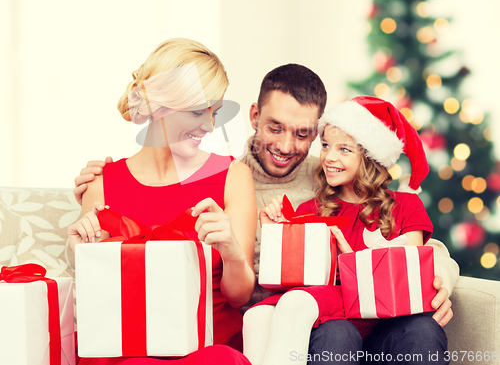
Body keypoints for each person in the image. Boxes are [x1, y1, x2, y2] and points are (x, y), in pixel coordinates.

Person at [73, 65, 457, 364]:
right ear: (254, 115)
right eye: (275, 128)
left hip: (360, 312)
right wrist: (100, 187)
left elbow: (403, 225)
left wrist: (440, 275)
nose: (288, 146)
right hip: (285, 329)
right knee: (335, 334)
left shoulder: (333, 172)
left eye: (304, 134)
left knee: (419, 331)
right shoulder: (220, 179)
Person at [68, 38, 257, 365]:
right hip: (127, 351)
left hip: (207, 349)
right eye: (199, 111)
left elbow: (238, 296)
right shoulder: (101, 183)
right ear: (158, 107)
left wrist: (230, 249)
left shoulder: (233, 176)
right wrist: (79, 251)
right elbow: (98, 299)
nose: (210, 125)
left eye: (215, 112)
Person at [245, 96, 448, 365]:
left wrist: (354, 264)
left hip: (387, 333)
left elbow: (407, 282)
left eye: (344, 150)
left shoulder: (406, 206)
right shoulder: (310, 209)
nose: (328, 157)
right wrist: (278, 237)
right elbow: (289, 288)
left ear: (370, 157)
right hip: (333, 330)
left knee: (423, 329)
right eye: (326, 146)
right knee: (337, 333)